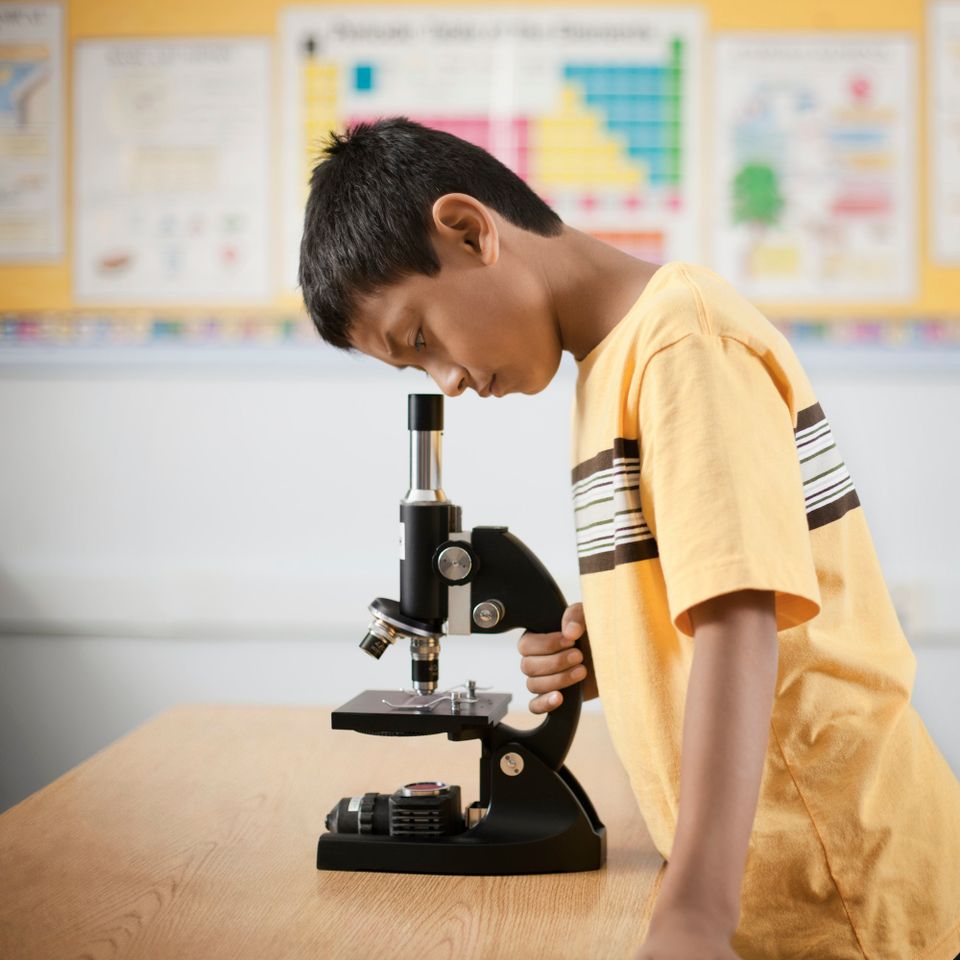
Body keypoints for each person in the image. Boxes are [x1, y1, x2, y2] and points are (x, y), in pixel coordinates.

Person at [298, 117, 960, 960]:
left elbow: (741, 622)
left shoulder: (682, 342)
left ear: (469, 231)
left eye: (421, 339)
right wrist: (620, 645)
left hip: (839, 890)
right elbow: (713, 592)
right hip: (776, 880)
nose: (450, 382)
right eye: (417, 370)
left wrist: (693, 915)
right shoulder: (609, 365)